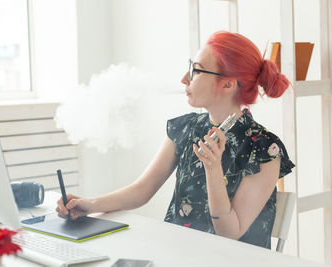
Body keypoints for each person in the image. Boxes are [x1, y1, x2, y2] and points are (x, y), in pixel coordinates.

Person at [56, 31, 295, 249]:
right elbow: (142, 190)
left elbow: (229, 233)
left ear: (228, 84)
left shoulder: (264, 149)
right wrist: (90, 205)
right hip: (177, 252)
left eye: (197, 71)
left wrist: (213, 170)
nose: (184, 78)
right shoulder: (186, 127)